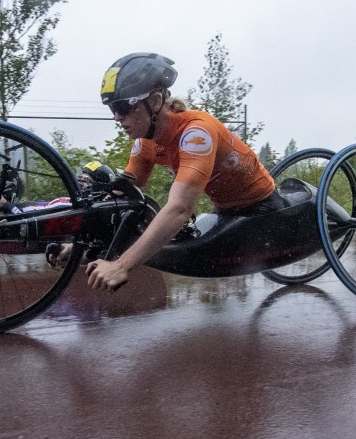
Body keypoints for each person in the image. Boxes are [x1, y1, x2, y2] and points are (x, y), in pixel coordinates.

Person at [76, 52, 281, 291]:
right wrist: (78, 244)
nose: (117, 118)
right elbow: (121, 199)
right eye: (113, 109)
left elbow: (179, 210)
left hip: (262, 206)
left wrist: (122, 266)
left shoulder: (196, 133)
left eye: (122, 107)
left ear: (154, 101)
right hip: (224, 210)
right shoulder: (145, 142)